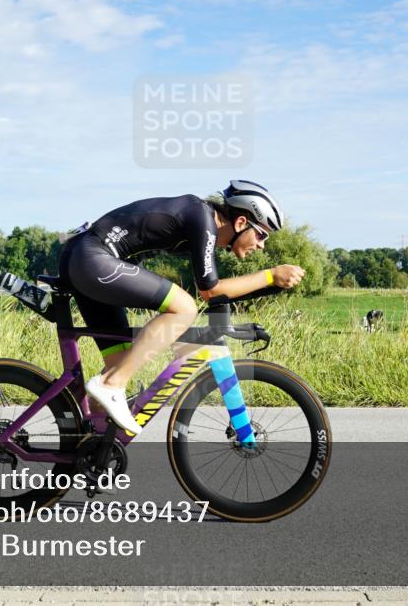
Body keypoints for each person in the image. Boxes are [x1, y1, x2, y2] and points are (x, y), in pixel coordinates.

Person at [57, 180, 305, 435]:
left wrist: (271, 284)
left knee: (119, 362)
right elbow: (210, 290)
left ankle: (87, 448)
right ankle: (111, 385)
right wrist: (270, 276)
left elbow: (215, 290)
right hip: (93, 259)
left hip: (85, 259)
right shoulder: (202, 218)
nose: (262, 244)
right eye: (262, 234)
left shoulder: (200, 222)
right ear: (241, 222)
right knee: (184, 308)